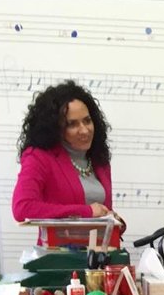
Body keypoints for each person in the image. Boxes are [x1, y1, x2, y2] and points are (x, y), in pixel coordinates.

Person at [12, 80, 121, 248]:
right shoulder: (39, 157)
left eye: (87, 121)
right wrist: (87, 212)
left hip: (98, 259)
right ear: (55, 128)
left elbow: (100, 212)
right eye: (72, 124)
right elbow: (22, 208)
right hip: (58, 259)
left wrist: (112, 219)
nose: (84, 130)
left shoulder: (99, 159)